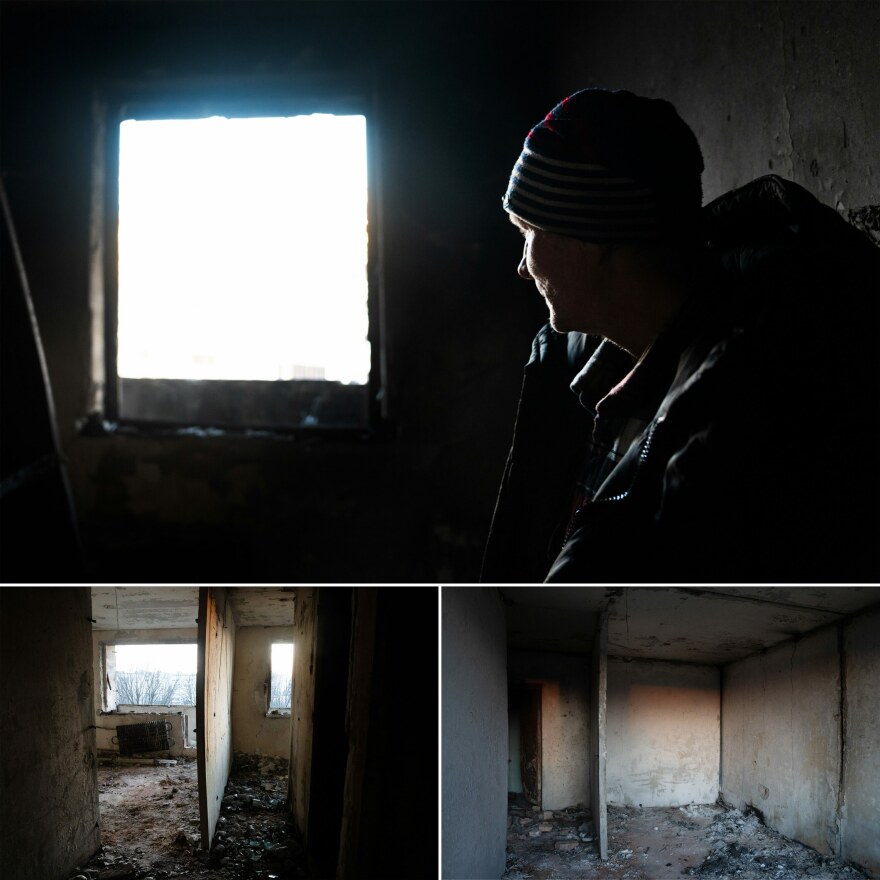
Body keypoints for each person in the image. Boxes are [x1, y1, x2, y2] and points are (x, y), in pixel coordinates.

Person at [481, 88, 879, 584]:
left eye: (528, 234)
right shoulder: (572, 364)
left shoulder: (747, 395)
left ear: (591, 235)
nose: (522, 267)